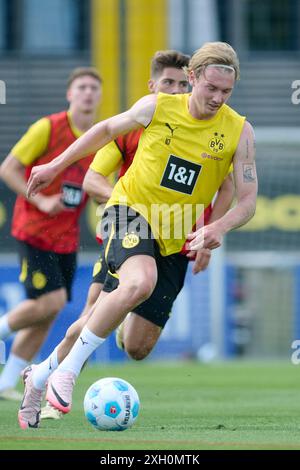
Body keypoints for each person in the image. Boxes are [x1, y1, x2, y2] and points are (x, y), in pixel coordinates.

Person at [19, 42, 257, 429]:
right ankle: (68, 372)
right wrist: (56, 164)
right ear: (193, 79)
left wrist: (217, 227)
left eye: (225, 92)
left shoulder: (239, 131)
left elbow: (247, 200)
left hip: (175, 237)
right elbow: (105, 129)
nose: (217, 98)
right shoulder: (158, 107)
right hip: (126, 212)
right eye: (210, 88)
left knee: (136, 345)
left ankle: (41, 373)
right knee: (138, 282)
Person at [0, 67, 102, 401]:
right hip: (34, 229)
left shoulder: (100, 138)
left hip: (66, 238)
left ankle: (4, 383)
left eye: (93, 88)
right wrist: (41, 199)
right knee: (50, 301)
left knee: (48, 310)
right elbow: (9, 168)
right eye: (82, 87)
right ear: (69, 94)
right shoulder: (48, 127)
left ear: (99, 96)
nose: (88, 93)